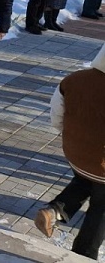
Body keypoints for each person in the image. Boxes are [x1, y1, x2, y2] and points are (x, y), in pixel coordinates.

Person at [34, 43, 105, 259]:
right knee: (101, 207)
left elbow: (57, 115)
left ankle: (54, 211)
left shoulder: (74, 79)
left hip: (75, 153)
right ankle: (83, 254)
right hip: (102, 163)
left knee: (84, 181)